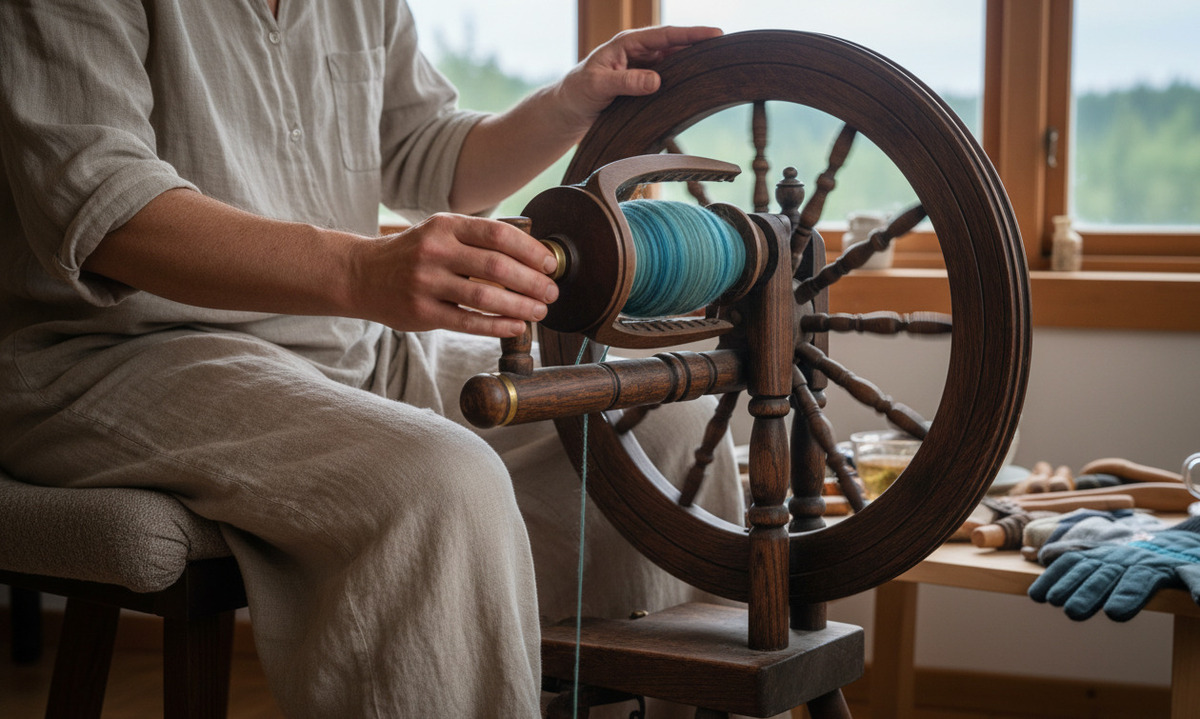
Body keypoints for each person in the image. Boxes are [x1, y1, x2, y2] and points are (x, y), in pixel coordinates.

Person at [0, 2, 742, 717]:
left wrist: (567, 101)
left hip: (351, 342)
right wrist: (364, 273)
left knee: (660, 422)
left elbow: (430, 159)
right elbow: (102, 210)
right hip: (121, 356)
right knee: (438, 479)